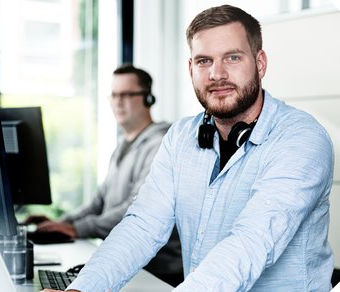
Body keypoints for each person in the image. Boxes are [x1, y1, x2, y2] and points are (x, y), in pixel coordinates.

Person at [42, 5, 334, 292]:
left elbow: (252, 241)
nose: (217, 74)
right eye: (205, 61)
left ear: (260, 63)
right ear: (191, 68)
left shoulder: (300, 138)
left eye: (232, 57)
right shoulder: (181, 136)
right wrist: (80, 290)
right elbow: (142, 227)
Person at [26, 64, 183, 286]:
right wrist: (61, 223)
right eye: (114, 95)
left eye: (127, 94)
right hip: (128, 265)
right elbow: (98, 203)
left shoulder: (159, 144)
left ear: (148, 99)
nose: (118, 102)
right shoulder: (122, 145)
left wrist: (77, 229)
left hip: (157, 272)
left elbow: (136, 208)